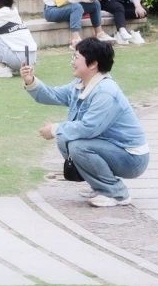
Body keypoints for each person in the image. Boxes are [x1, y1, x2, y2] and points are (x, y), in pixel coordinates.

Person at [20, 38, 150, 207]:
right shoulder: (80, 84)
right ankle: (100, 186)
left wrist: (54, 129)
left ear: (93, 64)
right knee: (66, 138)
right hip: (113, 149)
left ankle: (116, 194)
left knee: (78, 146)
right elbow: (53, 95)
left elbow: (89, 128)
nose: (72, 62)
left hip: (132, 158)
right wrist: (30, 80)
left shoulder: (105, 92)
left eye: (76, 57)